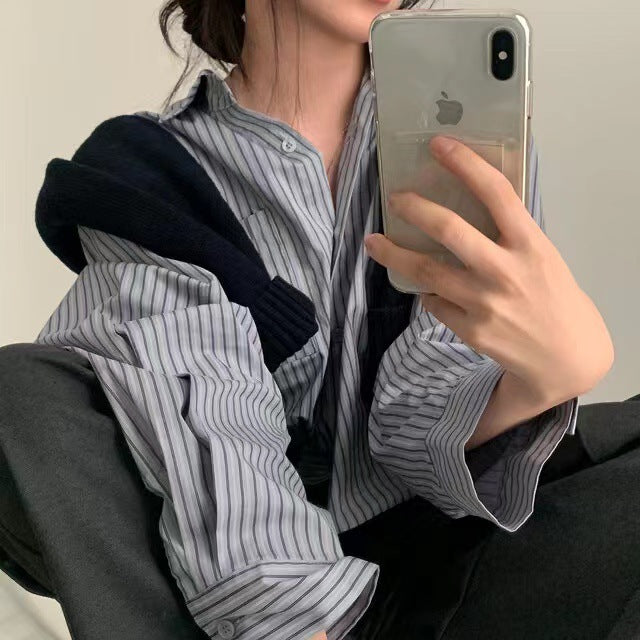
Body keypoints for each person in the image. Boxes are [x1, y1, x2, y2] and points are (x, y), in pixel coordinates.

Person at [1, 1, 639, 639]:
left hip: (447, 567)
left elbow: (421, 426)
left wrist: (541, 381)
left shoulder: (470, 140)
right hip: (231, 580)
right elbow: (214, 419)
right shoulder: (144, 172)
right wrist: (296, 621)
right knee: (30, 394)